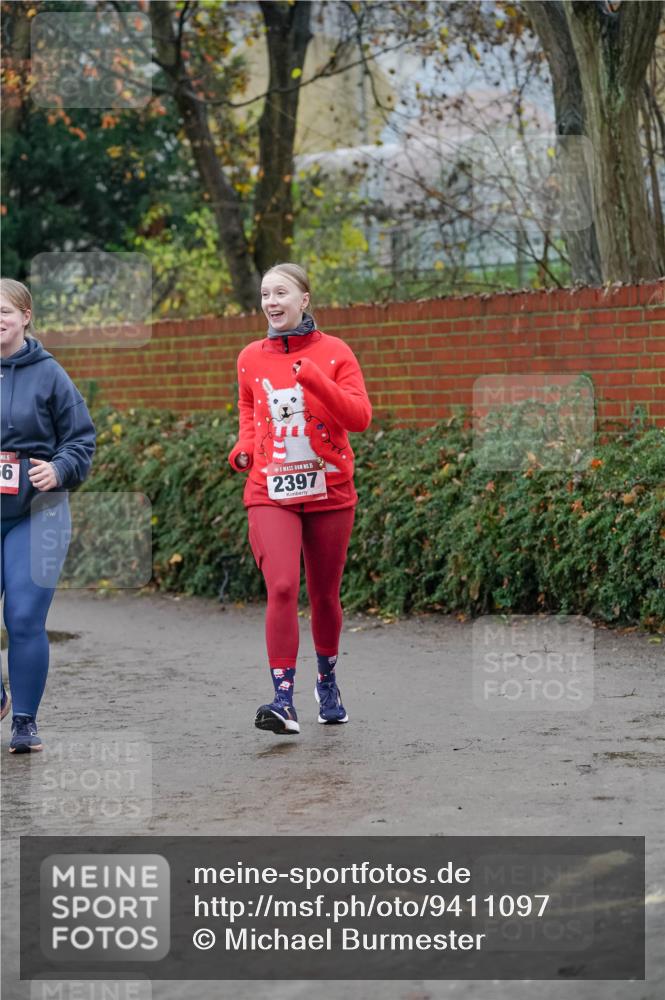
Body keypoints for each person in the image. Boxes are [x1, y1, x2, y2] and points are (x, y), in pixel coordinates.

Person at [228, 263, 372, 735]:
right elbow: (249, 406)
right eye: (265, 294)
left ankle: (326, 682)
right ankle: (283, 700)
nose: (271, 302)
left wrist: (314, 380)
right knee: (284, 586)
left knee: (325, 595)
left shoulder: (335, 352)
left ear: (304, 299)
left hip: (330, 489)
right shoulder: (250, 357)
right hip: (270, 490)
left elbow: (360, 417)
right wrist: (245, 446)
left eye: (281, 293)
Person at [0, 278, 96, 753]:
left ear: (25, 317)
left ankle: (24, 721)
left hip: (38, 511)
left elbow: (81, 439)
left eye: (4, 312)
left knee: (22, 616)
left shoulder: (50, 374)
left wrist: (58, 468)